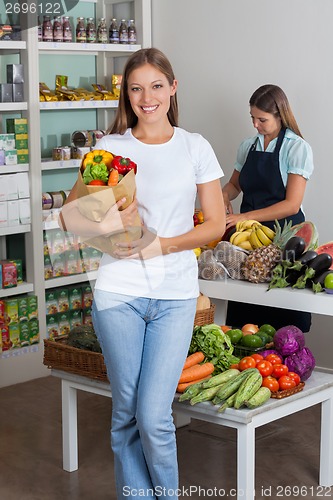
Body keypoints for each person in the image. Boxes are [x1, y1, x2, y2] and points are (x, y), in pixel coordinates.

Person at [60, 48, 225, 499]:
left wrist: (162, 244)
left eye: (156, 86)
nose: (146, 97)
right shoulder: (109, 149)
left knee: (154, 415)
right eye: (136, 88)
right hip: (118, 292)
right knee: (126, 412)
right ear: (126, 95)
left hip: (175, 294)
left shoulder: (195, 146)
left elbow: (214, 223)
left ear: (173, 88)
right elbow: (70, 220)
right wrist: (113, 216)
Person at [222, 84, 314, 332]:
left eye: (261, 119)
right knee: (246, 319)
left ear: (280, 116)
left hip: (285, 241)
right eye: (252, 118)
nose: (255, 125)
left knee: (283, 320)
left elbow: (291, 204)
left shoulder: (297, 148)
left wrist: (245, 216)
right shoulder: (248, 146)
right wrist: (222, 196)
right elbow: (234, 185)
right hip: (248, 240)